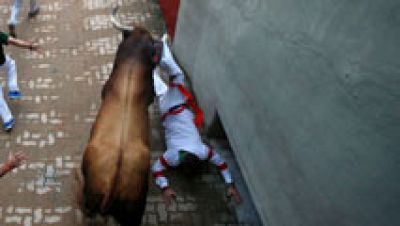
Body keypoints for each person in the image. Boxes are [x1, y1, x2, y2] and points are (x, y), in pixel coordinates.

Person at [151, 35, 242, 205]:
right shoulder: (172, 157)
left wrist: (230, 184)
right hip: (165, 110)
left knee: (177, 75)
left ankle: (161, 47)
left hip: (177, 103)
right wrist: (165, 187)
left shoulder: (202, 151)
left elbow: (221, 163)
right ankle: (152, 60)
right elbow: (156, 169)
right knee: (156, 84)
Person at [0, 31, 41, 131]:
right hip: (1, 61)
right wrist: (30, 46)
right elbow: (14, 41)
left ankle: (7, 120)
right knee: (11, 65)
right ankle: (13, 88)